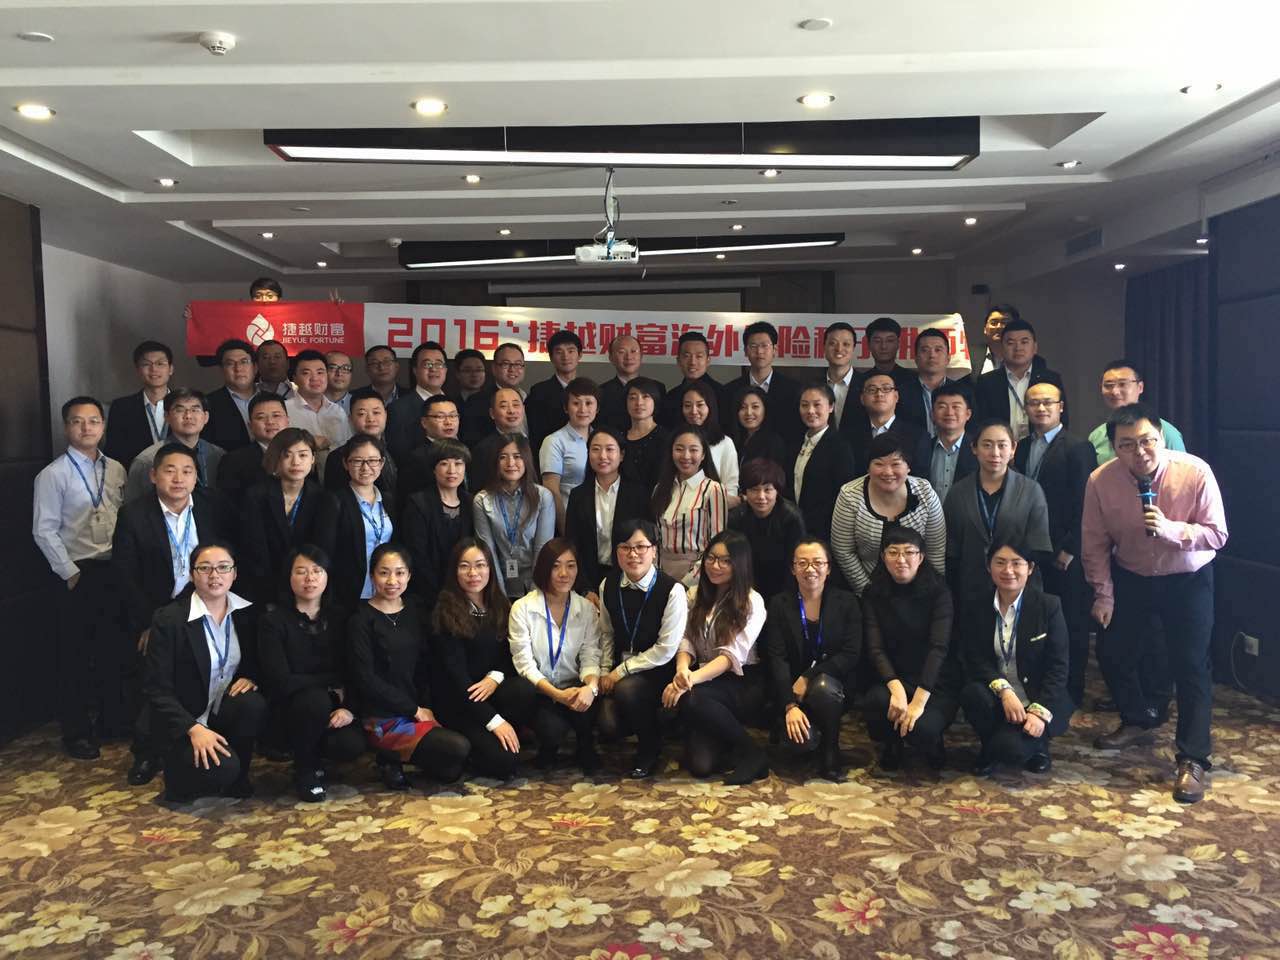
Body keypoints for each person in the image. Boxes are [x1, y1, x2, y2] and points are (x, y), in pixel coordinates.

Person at [1082, 403, 1227, 804]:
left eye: (1147, 441)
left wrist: (1172, 530)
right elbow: (1094, 542)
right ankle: (1137, 718)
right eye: (1127, 444)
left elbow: (1217, 534)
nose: (1140, 451)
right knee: (1113, 652)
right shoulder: (1101, 480)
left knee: (1191, 665)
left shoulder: (1194, 472)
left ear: (1161, 437)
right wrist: (1103, 593)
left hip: (1187, 578)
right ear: (1114, 447)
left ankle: (1193, 758)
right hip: (1131, 576)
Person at [112, 443, 227, 784]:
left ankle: (203, 738)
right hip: (157, 611)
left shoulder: (212, 507)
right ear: (153, 475)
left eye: (187, 471)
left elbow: (228, 558)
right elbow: (125, 575)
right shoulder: (134, 515)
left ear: (196, 476)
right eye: (170, 470)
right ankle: (147, 752)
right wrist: (149, 622)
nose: (179, 478)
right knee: (155, 679)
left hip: (206, 604)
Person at [33, 397, 128, 760]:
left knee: (112, 651)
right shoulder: (53, 474)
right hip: (77, 572)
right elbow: (44, 530)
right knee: (74, 657)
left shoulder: (116, 469)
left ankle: (111, 721)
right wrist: (69, 573)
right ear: (66, 428)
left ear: (103, 426)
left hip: (114, 569)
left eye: (93, 421)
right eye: (77, 421)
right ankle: (76, 733)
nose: (86, 428)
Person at [143, 540, 266, 802]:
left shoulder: (246, 613)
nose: (214, 575)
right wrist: (193, 728)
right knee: (222, 770)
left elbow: (256, 661)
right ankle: (179, 775)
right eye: (205, 568)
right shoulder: (169, 620)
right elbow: (157, 689)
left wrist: (250, 676)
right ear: (191, 574)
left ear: (234, 573)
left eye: (223, 567)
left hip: (221, 711)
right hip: (185, 721)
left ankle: (239, 776)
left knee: (252, 703)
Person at [348, 544, 471, 790]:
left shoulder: (415, 610)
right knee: (457, 748)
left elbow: (425, 665)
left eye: (400, 573)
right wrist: (413, 709)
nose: (392, 581)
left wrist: (425, 706)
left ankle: (397, 757)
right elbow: (366, 678)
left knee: (451, 771)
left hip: (416, 709)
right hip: (382, 714)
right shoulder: (360, 619)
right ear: (372, 575)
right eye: (384, 573)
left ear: (409, 575)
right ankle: (389, 756)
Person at [258, 546, 365, 801]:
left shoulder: (341, 618)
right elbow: (281, 681)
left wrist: (349, 708)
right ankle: (305, 770)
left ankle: (318, 758)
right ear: (289, 576)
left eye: (317, 571)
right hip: (290, 709)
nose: (310, 579)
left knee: (351, 745)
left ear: (327, 576)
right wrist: (330, 683)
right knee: (314, 700)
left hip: (334, 707)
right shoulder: (273, 621)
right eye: (301, 572)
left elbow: (353, 671)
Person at [1013, 382, 1097, 705]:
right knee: (1036, 620)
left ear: (1061, 406)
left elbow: (1086, 503)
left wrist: (1071, 548)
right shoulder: (1021, 447)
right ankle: (1039, 687)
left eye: (1048, 402)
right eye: (1034, 403)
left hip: (1064, 551)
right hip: (1031, 550)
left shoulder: (1078, 447)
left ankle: (1071, 691)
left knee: (1070, 623)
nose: (1041, 408)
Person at [661, 530, 767, 784]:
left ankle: (753, 753)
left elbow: (731, 656)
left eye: (725, 561)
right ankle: (725, 744)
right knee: (701, 766)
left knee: (691, 698)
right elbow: (685, 640)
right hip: (702, 680)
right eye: (711, 558)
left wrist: (689, 681)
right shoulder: (694, 595)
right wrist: (682, 671)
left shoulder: (752, 601)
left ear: (739, 564)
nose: (715, 566)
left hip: (740, 683)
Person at [959, 541, 1073, 776]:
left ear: (1029, 568)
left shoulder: (1048, 606)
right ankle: (988, 747)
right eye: (1000, 563)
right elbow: (975, 657)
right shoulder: (977, 605)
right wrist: (1004, 690)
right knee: (972, 693)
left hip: (1037, 696)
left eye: (1016, 563)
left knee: (1012, 752)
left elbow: (1058, 666)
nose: (1008, 570)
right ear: (989, 567)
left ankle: (1039, 747)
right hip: (999, 695)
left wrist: (1039, 711)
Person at [430, 539, 537, 780]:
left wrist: (494, 678)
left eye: (480, 565)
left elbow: (510, 656)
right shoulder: (445, 611)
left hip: (490, 693)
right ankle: (465, 747)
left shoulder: (500, 604)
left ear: (490, 568)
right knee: (505, 764)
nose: (473, 573)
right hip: (460, 701)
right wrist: (494, 721)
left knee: (523, 689)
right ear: (454, 571)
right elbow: (456, 679)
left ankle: (506, 733)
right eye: (464, 566)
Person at [596, 520, 688, 779]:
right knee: (607, 723)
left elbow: (666, 649)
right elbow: (606, 633)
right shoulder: (607, 585)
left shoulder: (672, 590)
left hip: (659, 670)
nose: (633, 554)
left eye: (641, 547)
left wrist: (621, 671)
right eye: (625, 547)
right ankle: (651, 725)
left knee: (628, 689)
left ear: (654, 551)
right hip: (621, 669)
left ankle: (650, 746)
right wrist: (604, 671)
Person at [763, 538, 862, 779]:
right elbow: (777, 658)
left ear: (828, 568)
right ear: (793, 568)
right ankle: (807, 732)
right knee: (801, 743)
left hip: (832, 687)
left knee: (823, 687)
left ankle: (831, 748)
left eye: (818, 563)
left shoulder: (847, 602)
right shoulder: (778, 604)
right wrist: (789, 705)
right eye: (802, 563)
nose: (810, 569)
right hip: (791, 691)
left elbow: (850, 654)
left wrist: (808, 677)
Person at [861, 528, 958, 771]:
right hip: (894, 677)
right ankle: (892, 742)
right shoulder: (873, 592)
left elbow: (938, 648)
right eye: (893, 552)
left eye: (909, 552)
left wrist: (918, 701)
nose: (901, 560)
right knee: (875, 702)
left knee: (923, 729)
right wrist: (896, 689)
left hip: (933, 682)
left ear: (921, 557)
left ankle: (933, 741)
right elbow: (875, 648)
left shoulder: (939, 592)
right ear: (883, 557)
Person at [508, 539, 603, 772]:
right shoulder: (522, 608)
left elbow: (591, 656)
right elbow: (525, 665)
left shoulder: (586, 609)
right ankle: (548, 745)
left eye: (571, 566)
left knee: (589, 705)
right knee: (552, 730)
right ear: (544, 568)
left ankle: (585, 743)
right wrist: (557, 695)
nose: (564, 573)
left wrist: (590, 688)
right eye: (555, 566)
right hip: (541, 691)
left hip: (575, 686)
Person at [943, 420, 1052, 616]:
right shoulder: (958, 493)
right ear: (974, 448)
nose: (995, 453)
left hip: (1018, 589)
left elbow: (1039, 546)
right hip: (971, 590)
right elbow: (951, 551)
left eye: (1002, 445)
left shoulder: (1031, 491)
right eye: (987, 445)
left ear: (1013, 449)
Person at [831, 433, 946, 596]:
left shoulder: (925, 492)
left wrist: (931, 592)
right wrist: (867, 591)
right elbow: (843, 550)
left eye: (896, 464)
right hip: (866, 588)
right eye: (879, 464)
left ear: (908, 466)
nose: (887, 472)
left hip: (920, 589)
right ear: (868, 467)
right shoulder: (850, 495)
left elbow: (935, 550)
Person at [240, 428, 338, 603]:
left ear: (313, 459)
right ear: (276, 458)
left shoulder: (324, 498)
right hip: (265, 585)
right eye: (287, 455)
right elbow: (255, 550)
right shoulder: (256, 495)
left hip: (309, 586)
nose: (296, 462)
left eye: (303, 455)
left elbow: (322, 551)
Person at [564, 426, 649, 596]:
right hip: (589, 582)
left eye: (609, 449)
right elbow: (573, 544)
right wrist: (585, 588)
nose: (602, 456)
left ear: (621, 455)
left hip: (630, 578)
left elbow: (646, 544)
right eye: (595, 449)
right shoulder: (578, 495)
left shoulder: (639, 495)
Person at [473, 436, 556, 598]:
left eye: (517, 456)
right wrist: (500, 597)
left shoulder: (543, 497)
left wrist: (534, 597)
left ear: (526, 460)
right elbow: (488, 552)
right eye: (503, 457)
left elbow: (542, 549)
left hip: (536, 584)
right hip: (497, 583)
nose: (510, 463)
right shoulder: (482, 501)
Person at [401, 439, 474, 609]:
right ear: (434, 468)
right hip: (428, 593)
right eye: (444, 464)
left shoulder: (471, 502)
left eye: (458, 464)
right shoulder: (418, 503)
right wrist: (441, 592)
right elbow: (417, 555)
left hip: (466, 589)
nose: (452, 470)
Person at [651, 427, 728, 586]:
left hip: (696, 573)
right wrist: (655, 575)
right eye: (679, 449)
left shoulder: (713, 489)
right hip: (660, 572)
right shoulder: (660, 488)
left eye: (693, 450)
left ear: (703, 454)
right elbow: (655, 537)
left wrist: (687, 583)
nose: (686, 456)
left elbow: (717, 541)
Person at [329, 434, 395, 610]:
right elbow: (327, 551)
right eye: (358, 461)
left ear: (381, 463)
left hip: (386, 589)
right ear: (346, 463)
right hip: (350, 591)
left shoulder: (389, 501)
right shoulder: (335, 501)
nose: (366, 467)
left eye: (372, 461)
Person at [974, 319, 1066, 441]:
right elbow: (980, 424)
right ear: (1002, 348)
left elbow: (1062, 420)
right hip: (1000, 449)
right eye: (1011, 343)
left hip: (1040, 447)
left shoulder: (1050, 379)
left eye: (1024, 342)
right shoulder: (987, 382)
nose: (1018, 348)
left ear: (1035, 348)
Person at [127, 388, 224, 501]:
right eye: (180, 410)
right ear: (166, 416)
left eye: (195, 410)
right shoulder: (147, 461)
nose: (188, 416)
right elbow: (134, 505)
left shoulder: (219, 455)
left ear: (206, 417)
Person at [728, 458, 806, 599]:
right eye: (754, 490)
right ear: (745, 492)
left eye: (768, 490)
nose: (761, 497)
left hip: (783, 584)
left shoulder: (791, 518)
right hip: (746, 584)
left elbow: (795, 562)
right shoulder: (736, 518)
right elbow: (736, 561)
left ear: (777, 491)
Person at [1088, 359, 1187, 463]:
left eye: (1122, 384)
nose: (1114, 391)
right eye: (1108, 385)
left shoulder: (1166, 432)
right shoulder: (1096, 437)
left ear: (1140, 387)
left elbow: (1182, 469)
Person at [722, 321, 804, 446]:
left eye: (764, 345)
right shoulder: (730, 391)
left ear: (774, 350)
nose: (759, 351)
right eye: (753, 346)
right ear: (745, 351)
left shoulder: (794, 390)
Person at [794, 384, 858, 542]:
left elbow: (843, 495)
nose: (810, 411)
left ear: (831, 407)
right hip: (796, 526)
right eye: (804, 405)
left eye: (817, 405)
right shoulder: (795, 442)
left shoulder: (840, 446)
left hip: (825, 530)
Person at [103, 340, 173, 469]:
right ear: (138, 370)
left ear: (171, 369)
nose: (154, 369)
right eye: (146, 364)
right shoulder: (121, 407)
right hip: (134, 476)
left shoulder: (186, 406)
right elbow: (113, 452)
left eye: (160, 363)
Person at [540, 377, 599, 528]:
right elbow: (551, 490)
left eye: (589, 403)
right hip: (570, 519)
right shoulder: (554, 441)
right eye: (576, 403)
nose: (583, 409)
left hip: (601, 521)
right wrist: (565, 528)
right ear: (566, 408)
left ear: (597, 408)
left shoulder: (602, 439)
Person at [842, 372, 924, 475]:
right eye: (872, 390)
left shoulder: (918, 436)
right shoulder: (847, 436)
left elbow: (919, 477)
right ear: (862, 399)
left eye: (886, 389)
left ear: (896, 396)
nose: (879, 394)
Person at [323, 395, 399, 503]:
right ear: (350, 419)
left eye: (376, 412)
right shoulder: (338, 457)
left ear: (386, 415)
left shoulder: (397, 449)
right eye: (361, 414)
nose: (370, 419)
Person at [215, 393, 289, 502]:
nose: (270, 422)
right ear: (250, 426)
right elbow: (228, 504)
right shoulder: (233, 461)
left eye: (276, 415)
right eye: (261, 417)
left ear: (287, 420)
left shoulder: (303, 455)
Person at [910, 383, 976, 505]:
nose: (949, 412)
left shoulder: (978, 450)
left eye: (956, 407)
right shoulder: (920, 449)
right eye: (942, 406)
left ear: (968, 414)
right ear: (932, 415)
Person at [386, 342, 451, 463]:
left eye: (439, 364)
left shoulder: (455, 404)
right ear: (415, 370)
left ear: (446, 370)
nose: (434, 369)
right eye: (427, 364)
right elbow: (398, 454)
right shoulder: (398, 409)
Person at [396, 394, 466, 504]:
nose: (448, 422)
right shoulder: (416, 458)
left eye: (453, 416)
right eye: (440, 417)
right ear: (424, 422)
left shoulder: (463, 450)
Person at [526, 330, 582, 457]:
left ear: (579, 355)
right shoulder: (538, 392)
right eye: (559, 352)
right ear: (551, 357)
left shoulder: (589, 391)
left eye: (571, 351)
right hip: (549, 457)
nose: (565, 356)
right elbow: (535, 436)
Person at [285, 349, 352, 456]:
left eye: (320, 372)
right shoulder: (284, 410)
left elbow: (348, 448)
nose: (315, 378)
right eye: (306, 373)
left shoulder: (337, 411)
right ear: (295, 378)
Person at [680, 381, 739, 500]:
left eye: (700, 405)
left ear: (710, 407)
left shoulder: (725, 443)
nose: (693, 411)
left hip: (716, 506)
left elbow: (731, 488)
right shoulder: (676, 440)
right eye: (687, 405)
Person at [896, 328, 957, 436]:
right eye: (925, 350)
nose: (932, 355)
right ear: (916, 358)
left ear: (948, 358)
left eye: (938, 350)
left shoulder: (962, 391)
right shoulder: (900, 393)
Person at [658, 331, 723, 429]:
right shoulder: (671, 397)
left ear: (708, 360)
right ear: (678, 361)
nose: (692, 362)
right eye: (687, 356)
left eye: (699, 356)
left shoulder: (722, 393)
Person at [468, 387, 528, 491]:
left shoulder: (533, 443)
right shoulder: (483, 448)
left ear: (523, 409)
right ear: (492, 413)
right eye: (504, 406)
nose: (511, 411)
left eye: (516, 405)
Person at [203, 338, 257, 452]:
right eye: (230, 363)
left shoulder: (275, 400)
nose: (238, 369)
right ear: (221, 370)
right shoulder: (207, 404)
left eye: (244, 362)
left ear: (255, 367)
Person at [599, 334, 660, 432]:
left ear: (641, 355)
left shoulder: (657, 388)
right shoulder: (601, 392)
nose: (628, 357)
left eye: (633, 351)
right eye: (621, 352)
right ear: (611, 358)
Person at [621, 377, 669, 492]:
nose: (639, 403)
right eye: (632, 398)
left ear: (655, 401)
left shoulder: (666, 438)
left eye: (645, 396)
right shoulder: (619, 438)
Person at [730, 385, 789, 470]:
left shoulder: (774, 443)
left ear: (765, 409)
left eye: (755, 407)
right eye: (743, 407)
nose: (749, 412)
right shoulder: (734, 440)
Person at [858, 317, 915, 397]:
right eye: (877, 341)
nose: (883, 346)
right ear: (869, 345)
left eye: (890, 340)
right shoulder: (860, 382)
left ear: (898, 344)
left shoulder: (913, 380)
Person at [820, 322, 859, 429]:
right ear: (824, 347)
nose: (839, 349)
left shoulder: (866, 385)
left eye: (846, 344)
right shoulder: (812, 385)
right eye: (832, 343)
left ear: (853, 348)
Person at [455, 348, 494, 446]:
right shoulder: (451, 403)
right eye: (468, 370)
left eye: (479, 370)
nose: (474, 374)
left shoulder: (493, 402)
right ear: (458, 374)